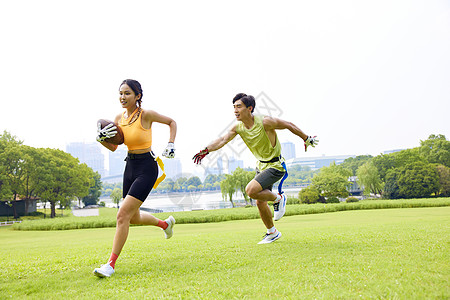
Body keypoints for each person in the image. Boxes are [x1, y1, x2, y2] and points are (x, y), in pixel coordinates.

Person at [193, 93, 318, 244]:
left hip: (275, 165)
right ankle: (272, 232)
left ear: (249, 108)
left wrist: (306, 138)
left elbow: (288, 125)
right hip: (261, 165)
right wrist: (206, 151)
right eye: (234, 107)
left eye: (239, 106)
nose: (235, 110)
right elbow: (222, 140)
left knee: (251, 190)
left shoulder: (265, 122)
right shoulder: (238, 127)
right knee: (259, 200)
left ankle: (279, 198)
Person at [93, 79, 177, 277]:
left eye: (127, 93)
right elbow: (114, 147)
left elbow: (172, 122)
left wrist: (171, 143)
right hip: (129, 166)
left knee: (122, 215)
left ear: (137, 96)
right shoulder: (118, 118)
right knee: (134, 217)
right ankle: (165, 224)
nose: (123, 97)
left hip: (147, 168)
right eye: (120, 93)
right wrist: (101, 140)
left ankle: (110, 265)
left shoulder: (146, 115)